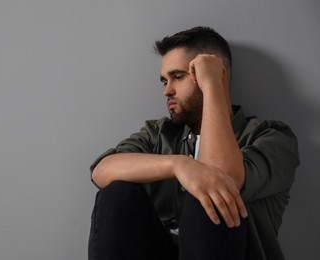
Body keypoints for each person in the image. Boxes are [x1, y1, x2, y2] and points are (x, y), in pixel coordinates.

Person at [88, 26, 300, 260]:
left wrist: (212, 87)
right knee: (117, 192)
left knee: (207, 194)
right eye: (164, 81)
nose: (167, 91)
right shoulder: (158, 133)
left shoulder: (270, 136)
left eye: (178, 77)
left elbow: (221, 176)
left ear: (217, 74)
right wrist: (180, 165)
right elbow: (102, 170)